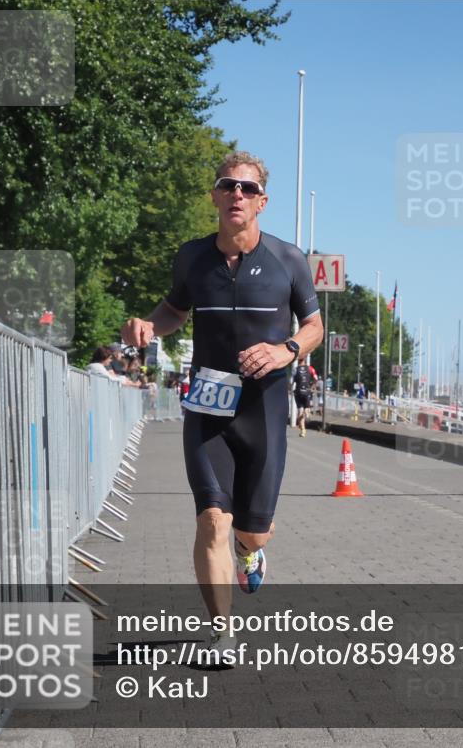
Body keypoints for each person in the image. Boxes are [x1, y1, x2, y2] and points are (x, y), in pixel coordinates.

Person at [121, 151, 322, 655]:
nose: (237, 194)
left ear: (262, 203)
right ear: (214, 195)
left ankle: (250, 551)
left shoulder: (288, 259)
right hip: (208, 403)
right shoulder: (192, 257)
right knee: (212, 516)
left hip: (265, 407)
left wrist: (286, 350)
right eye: (228, 185)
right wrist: (148, 324)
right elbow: (172, 310)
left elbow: (315, 326)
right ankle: (223, 631)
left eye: (248, 189)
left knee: (254, 532)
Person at [292, 356, 318, 437]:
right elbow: (316, 378)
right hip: (307, 391)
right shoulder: (310, 368)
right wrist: (312, 387)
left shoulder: (295, 369)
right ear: (305, 361)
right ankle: (306, 413)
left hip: (298, 392)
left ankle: (303, 431)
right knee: (306, 409)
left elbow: (291, 381)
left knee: (299, 411)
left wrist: (290, 389)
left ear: (298, 361)